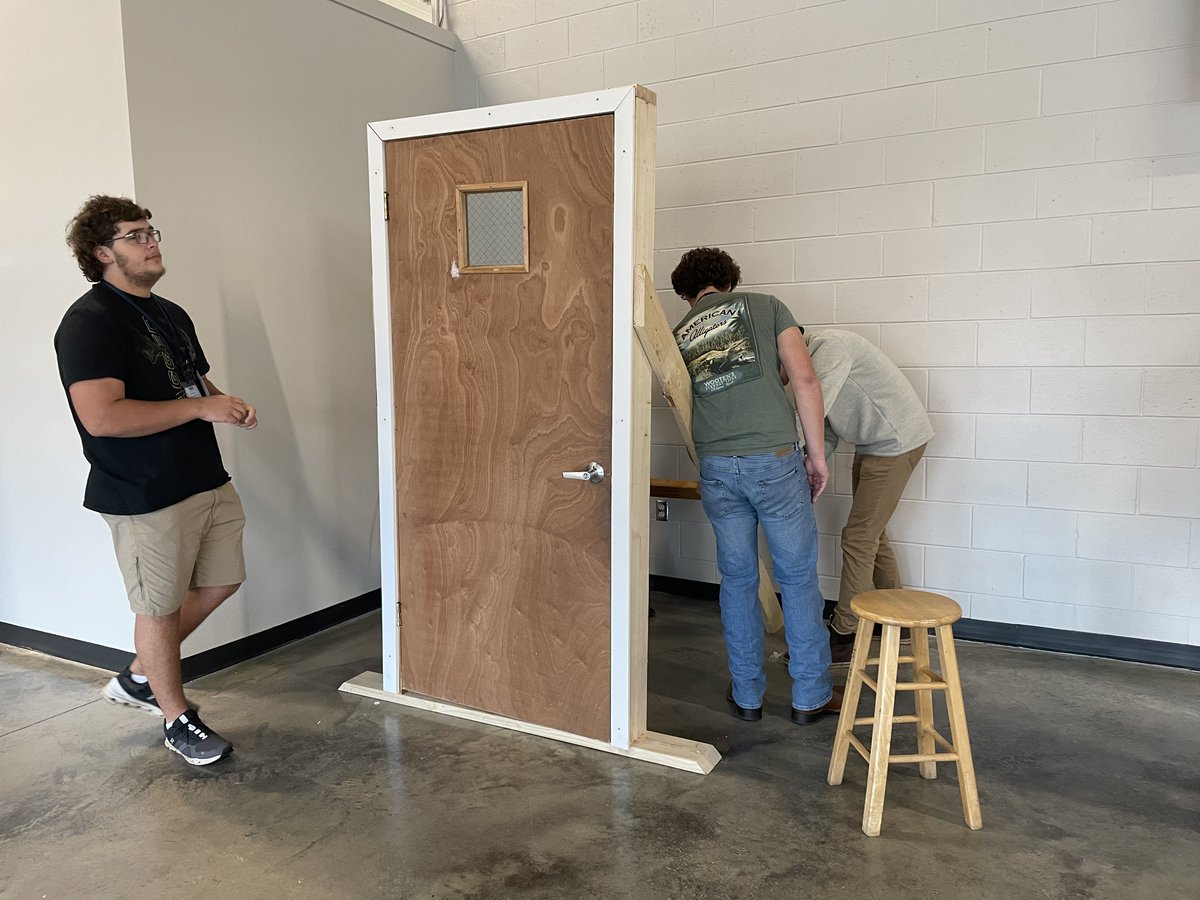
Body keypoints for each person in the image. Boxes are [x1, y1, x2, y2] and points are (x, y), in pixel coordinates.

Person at [55, 195, 258, 766]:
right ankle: (177, 719)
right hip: (143, 491)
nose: (151, 242)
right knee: (158, 608)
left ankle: (141, 675)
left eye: (152, 231)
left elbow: (191, 385)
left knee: (221, 582)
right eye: (135, 235)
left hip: (202, 477)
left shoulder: (169, 312)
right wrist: (200, 412)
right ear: (103, 253)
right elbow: (103, 417)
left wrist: (224, 403)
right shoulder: (88, 323)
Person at [671, 247, 840, 725]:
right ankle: (809, 697)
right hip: (774, 460)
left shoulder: (680, 333)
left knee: (738, 581)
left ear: (686, 294)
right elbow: (804, 379)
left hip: (718, 468)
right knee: (796, 577)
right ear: (730, 280)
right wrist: (817, 456)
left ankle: (747, 695)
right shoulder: (766, 305)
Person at [804, 328, 934, 665]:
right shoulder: (820, 357)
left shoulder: (828, 348)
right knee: (873, 533)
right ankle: (899, 618)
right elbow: (826, 426)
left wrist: (792, 455)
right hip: (877, 442)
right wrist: (811, 463)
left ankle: (845, 632)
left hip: (894, 443)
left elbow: (811, 411)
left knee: (859, 536)